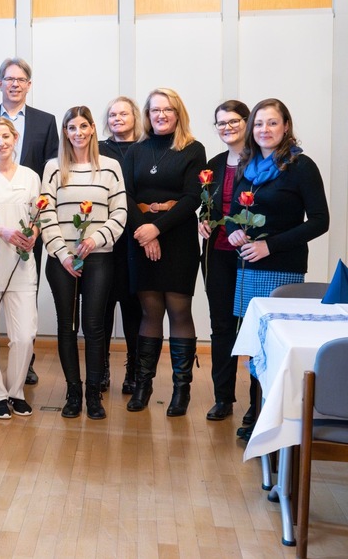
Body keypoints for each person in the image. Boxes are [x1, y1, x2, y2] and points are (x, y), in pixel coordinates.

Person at [226, 98, 329, 436]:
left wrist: (270, 245)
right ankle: (256, 411)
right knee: (255, 349)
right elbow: (230, 215)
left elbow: (319, 221)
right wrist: (234, 231)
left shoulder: (300, 166)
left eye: (272, 123)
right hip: (247, 269)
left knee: (275, 347)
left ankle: (273, 416)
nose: (264, 130)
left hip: (282, 268)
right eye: (258, 124)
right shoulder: (247, 164)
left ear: (286, 126)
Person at [0, 57, 59, 387]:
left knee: (23, 317)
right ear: (0, 83)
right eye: (9, 78)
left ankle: (24, 367)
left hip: (27, 229)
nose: (15, 83)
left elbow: (49, 175)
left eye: (21, 79)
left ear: (28, 85)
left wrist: (34, 230)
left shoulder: (46, 122)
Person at [122, 88, 206, 416]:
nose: (161, 115)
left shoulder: (193, 149)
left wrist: (158, 228)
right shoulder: (136, 151)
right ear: (147, 114)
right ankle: (143, 386)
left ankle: (181, 390)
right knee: (150, 311)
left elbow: (192, 198)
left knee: (179, 310)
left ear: (178, 113)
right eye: (155, 110)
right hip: (140, 234)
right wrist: (145, 231)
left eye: (168, 110)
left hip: (178, 237)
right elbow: (126, 196)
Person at [39, 107, 127, 420]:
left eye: (83, 126)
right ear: (65, 132)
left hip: (99, 257)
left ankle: (93, 395)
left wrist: (97, 238)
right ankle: (72, 392)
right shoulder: (53, 167)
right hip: (61, 260)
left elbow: (120, 213)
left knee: (93, 326)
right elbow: (45, 212)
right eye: (71, 127)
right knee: (67, 325)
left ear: (92, 129)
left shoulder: (110, 167)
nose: (78, 132)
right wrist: (62, 253)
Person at [0, 117, 41, 420]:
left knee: (24, 335)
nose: (1, 142)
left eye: (6, 136)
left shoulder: (30, 176)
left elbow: (36, 215)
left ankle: (16, 391)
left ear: (15, 138)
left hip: (22, 266)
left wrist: (34, 233)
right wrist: (0, 231)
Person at [196, 100, 250, 422]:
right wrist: (203, 220)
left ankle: (256, 404)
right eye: (221, 123)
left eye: (233, 121)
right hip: (217, 255)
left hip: (250, 257)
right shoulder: (214, 164)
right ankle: (223, 398)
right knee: (221, 326)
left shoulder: (259, 162)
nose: (227, 127)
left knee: (250, 328)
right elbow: (208, 207)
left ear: (246, 122)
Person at [99, 96, 144, 395]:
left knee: (133, 307)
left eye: (123, 114)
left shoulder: (145, 148)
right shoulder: (98, 149)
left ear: (135, 117)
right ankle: (100, 367)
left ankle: (134, 368)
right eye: (112, 114)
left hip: (136, 237)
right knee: (100, 306)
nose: (117, 118)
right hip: (104, 238)